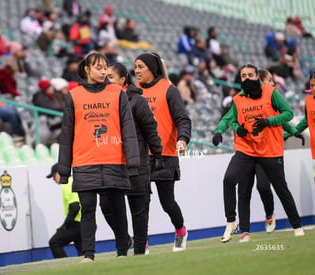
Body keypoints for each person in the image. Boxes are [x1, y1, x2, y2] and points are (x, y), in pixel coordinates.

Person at [57, 52, 140, 262]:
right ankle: (88, 255)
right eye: (98, 67)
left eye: (105, 68)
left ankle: (122, 251)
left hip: (114, 160)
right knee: (87, 211)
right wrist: (64, 170)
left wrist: (133, 162)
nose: (103, 71)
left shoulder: (117, 93)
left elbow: (128, 129)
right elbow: (66, 135)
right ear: (87, 69)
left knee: (118, 208)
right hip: (85, 162)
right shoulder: (74, 96)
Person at [212, 64, 304, 243]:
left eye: (250, 75)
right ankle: (236, 225)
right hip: (246, 149)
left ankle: (296, 226)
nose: (246, 78)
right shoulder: (238, 99)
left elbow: (288, 113)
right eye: (243, 75)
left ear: (257, 76)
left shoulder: (271, 92)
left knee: (280, 189)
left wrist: (269, 122)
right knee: (230, 180)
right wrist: (219, 131)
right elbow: (230, 119)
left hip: (269, 150)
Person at [100, 62, 163, 255]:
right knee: (106, 206)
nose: (106, 80)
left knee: (138, 210)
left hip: (137, 163)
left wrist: (157, 154)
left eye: (110, 77)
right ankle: (124, 239)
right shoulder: (103, 100)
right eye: (105, 77)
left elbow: (151, 129)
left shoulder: (137, 101)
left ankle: (139, 252)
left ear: (122, 79)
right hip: (112, 164)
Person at [134, 52, 192, 251]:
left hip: (165, 155)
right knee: (142, 202)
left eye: (141, 66)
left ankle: (180, 231)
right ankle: (143, 244)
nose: (136, 71)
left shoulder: (169, 90)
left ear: (152, 68)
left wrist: (182, 139)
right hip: (141, 156)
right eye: (135, 67)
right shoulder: (133, 92)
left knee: (167, 202)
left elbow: (182, 119)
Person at [47, 164, 83, 258]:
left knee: (54, 242)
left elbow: (75, 207)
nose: (53, 179)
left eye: (54, 176)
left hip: (77, 222)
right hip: (87, 222)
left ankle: (63, 265)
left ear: (59, 174)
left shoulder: (67, 184)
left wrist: (64, 226)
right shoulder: (74, 180)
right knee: (83, 252)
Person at [284, 72, 315, 175]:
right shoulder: (308, 101)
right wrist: (287, 134)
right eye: (312, 85)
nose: (314, 88)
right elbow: (305, 122)